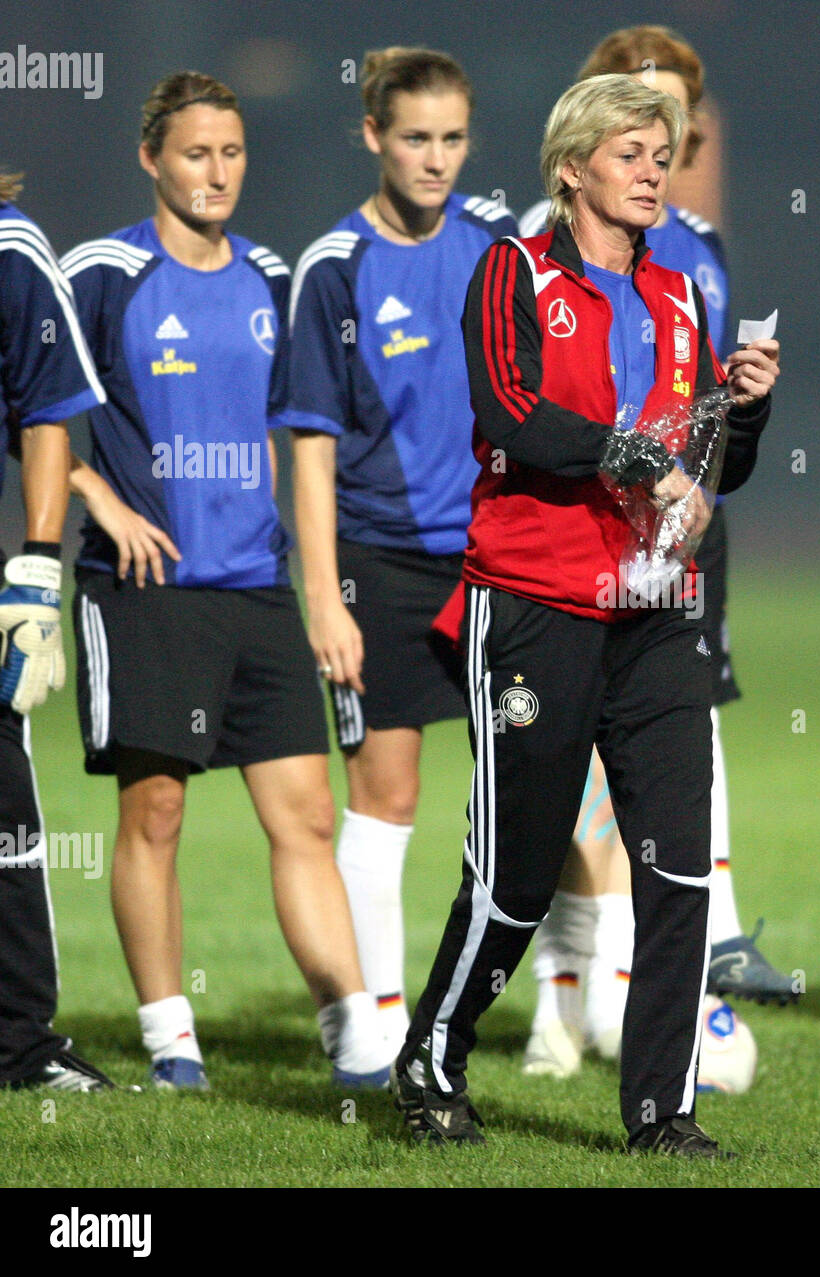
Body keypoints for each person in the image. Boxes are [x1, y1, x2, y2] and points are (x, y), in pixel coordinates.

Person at [393, 74, 779, 1155]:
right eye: (631, 153)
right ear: (572, 168)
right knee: (516, 872)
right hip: (530, 606)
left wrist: (743, 409)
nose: (655, 169)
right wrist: (636, 457)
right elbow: (507, 409)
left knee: (677, 867)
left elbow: (713, 465)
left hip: (657, 615)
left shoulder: (678, 296)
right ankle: (432, 1051)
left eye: (664, 154)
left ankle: (663, 1112)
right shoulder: (510, 269)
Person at [62, 71, 390, 1089]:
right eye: (197, 152)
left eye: (233, 153)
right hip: (143, 588)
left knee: (307, 817)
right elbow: (22, 400)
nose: (216, 172)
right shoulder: (99, 273)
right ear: (151, 157)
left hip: (258, 590)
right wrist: (94, 495)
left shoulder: (274, 278)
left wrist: (323, 592)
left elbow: (310, 439)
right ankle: (170, 1038)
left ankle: (353, 1031)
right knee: (154, 812)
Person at [516, 24, 797, 1081]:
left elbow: (702, 405)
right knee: (553, 779)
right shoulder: (527, 252)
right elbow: (521, 410)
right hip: (564, 547)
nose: (656, 152)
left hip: (677, 541)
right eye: (636, 129)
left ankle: (657, 1006)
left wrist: (731, 443)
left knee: (666, 755)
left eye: (672, 130)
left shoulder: (697, 255)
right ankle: (553, 994)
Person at [287, 47, 516, 1058]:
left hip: (497, 560)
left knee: (538, 780)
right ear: (374, 136)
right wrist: (321, 598)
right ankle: (374, 1029)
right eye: (416, 138)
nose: (436, 159)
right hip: (374, 563)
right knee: (388, 796)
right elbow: (310, 446)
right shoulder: (331, 268)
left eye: (453, 138)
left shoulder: (498, 247)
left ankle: (571, 1009)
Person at [0, 173, 114, 1092]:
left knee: (3, 811)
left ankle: (19, 1047)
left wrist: (38, 576)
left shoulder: (10, 244)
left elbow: (46, 414)